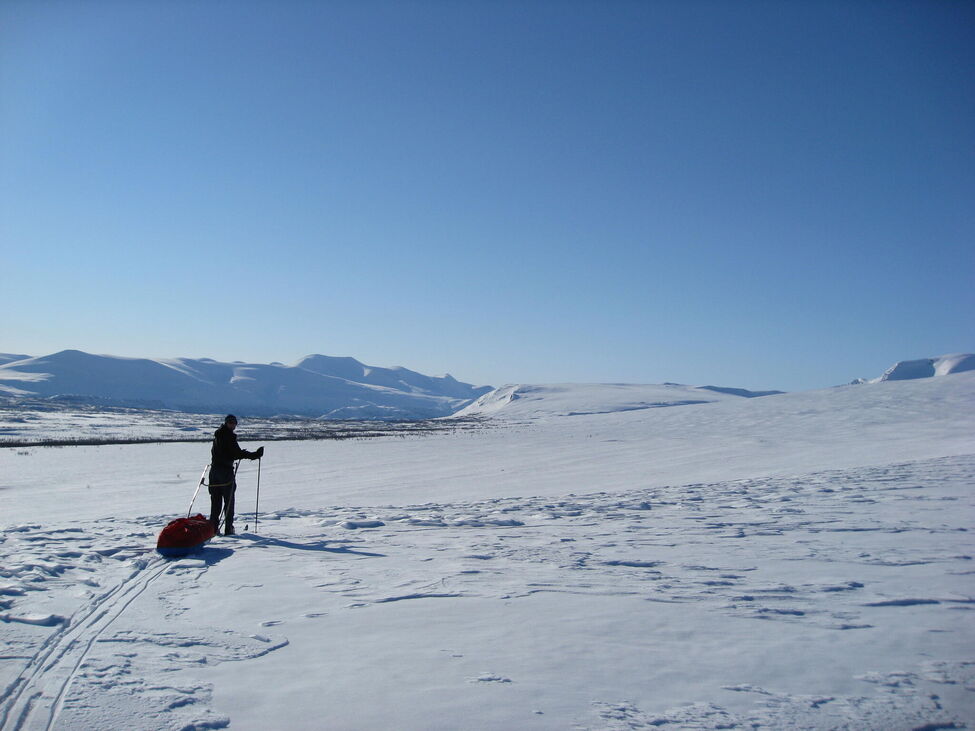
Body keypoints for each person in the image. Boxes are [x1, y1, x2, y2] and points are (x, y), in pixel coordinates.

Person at [209, 414, 263, 535]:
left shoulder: (218, 435)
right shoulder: (228, 436)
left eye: (234, 423)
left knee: (215, 502)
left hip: (214, 472)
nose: (232, 425)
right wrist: (254, 455)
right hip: (225, 472)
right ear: (226, 423)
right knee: (229, 502)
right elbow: (236, 453)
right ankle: (228, 529)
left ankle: (213, 529)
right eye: (231, 423)